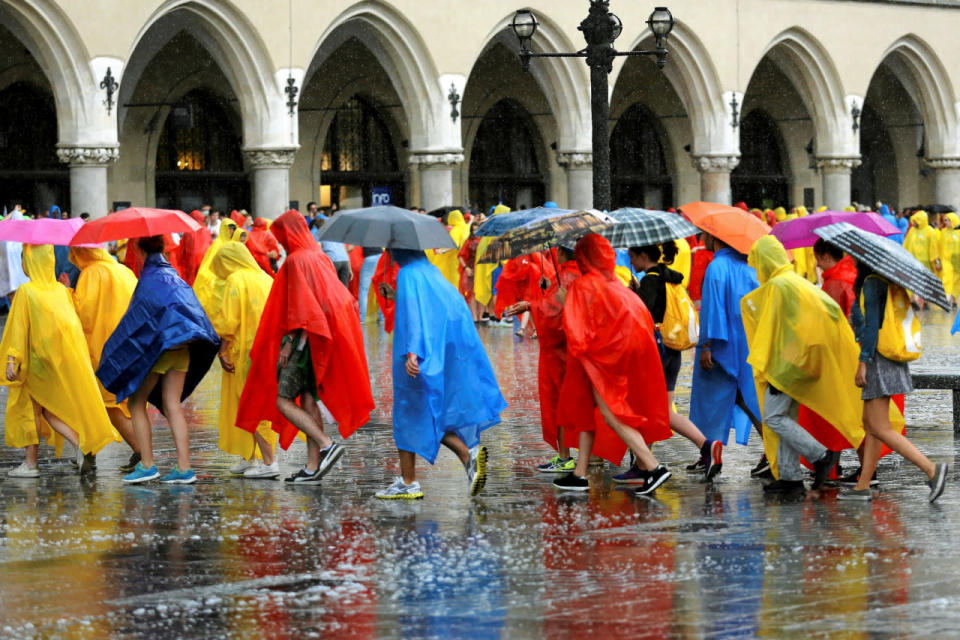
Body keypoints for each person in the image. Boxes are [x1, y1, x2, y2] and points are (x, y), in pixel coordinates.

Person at [237, 210, 375, 483]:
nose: (279, 243)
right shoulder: (319, 257)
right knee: (309, 401)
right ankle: (312, 467)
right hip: (324, 338)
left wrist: (288, 343)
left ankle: (326, 445)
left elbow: (301, 306)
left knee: (283, 400)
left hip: (305, 341)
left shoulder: (296, 261)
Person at [373, 249, 506, 499]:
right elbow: (429, 304)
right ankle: (465, 458)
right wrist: (394, 295)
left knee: (408, 412)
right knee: (427, 409)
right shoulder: (430, 271)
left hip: (414, 352)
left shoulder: (406, 273)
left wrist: (413, 351)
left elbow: (414, 313)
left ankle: (409, 480)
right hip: (436, 348)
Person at [741, 236, 865, 497]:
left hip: (787, 364)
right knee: (786, 417)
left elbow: (774, 331)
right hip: (804, 361)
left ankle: (820, 455)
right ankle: (790, 479)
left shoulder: (778, 285)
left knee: (774, 417)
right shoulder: (795, 281)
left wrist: (771, 367)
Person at [553, 234, 673, 496]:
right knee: (588, 414)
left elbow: (576, 329)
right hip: (614, 358)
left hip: (599, 362)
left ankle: (653, 467)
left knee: (611, 413)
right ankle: (579, 473)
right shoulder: (615, 283)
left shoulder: (584, 285)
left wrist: (565, 304)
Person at [99, 235, 221, 484]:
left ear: (138, 249)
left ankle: (147, 464)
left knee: (136, 403)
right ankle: (184, 468)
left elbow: (139, 321)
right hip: (182, 348)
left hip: (159, 350)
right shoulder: (174, 276)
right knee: (172, 405)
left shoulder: (149, 279)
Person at [1, 244, 120, 478]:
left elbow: (18, 327)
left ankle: (32, 464)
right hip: (62, 359)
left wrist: (11, 359)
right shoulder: (61, 290)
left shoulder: (26, 291)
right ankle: (81, 446)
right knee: (51, 409)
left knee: (32, 410)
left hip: (38, 362)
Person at [840, 260, 948, 502]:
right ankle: (864, 485)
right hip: (886, 358)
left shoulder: (872, 282)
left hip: (878, 360)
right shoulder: (886, 280)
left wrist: (863, 362)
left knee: (879, 427)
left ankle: (932, 470)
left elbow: (872, 328)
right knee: (870, 423)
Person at [615, 242, 723, 483]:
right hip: (672, 352)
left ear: (643, 256)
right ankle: (702, 447)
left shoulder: (652, 281)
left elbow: (640, 314)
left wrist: (633, 293)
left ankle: (648, 465)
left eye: (632, 256)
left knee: (646, 409)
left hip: (654, 353)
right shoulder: (669, 277)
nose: (630, 262)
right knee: (661, 411)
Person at [689, 232, 764, 474]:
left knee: (710, 402)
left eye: (706, 236)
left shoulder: (717, 267)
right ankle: (771, 449)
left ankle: (709, 449)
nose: (703, 239)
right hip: (746, 344)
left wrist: (707, 346)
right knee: (748, 397)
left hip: (720, 346)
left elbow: (712, 310)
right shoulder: (748, 266)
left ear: (716, 238)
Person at [65, 246, 142, 472]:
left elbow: (82, 312)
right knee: (120, 402)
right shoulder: (123, 271)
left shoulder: (91, 273)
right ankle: (89, 452)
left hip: (102, 348)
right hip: (128, 345)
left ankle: (141, 452)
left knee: (107, 404)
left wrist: (67, 292)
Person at [504, 245, 580, 473]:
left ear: (564, 253)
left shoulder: (568, 274)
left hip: (559, 350)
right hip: (569, 348)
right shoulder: (575, 273)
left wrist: (532, 304)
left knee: (558, 401)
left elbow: (554, 312)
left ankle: (566, 456)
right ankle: (581, 457)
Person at [208, 243, 279, 478]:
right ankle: (251, 457)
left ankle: (267, 461)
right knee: (258, 403)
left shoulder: (235, 280)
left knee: (250, 405)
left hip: (244, 353)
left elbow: (228, 322)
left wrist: (222, 351)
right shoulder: (266, 278)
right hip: (268, 351)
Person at [813, 238, 857, 318]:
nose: (817, 265)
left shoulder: (834, 283)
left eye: (818, 259)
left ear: (827, 257)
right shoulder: (852, 270)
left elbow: (831, 318)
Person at [313, 210, 352, 286]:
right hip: (345, 261)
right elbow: (345, 250)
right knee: (344, 288)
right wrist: (350, 269)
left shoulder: (319, 234)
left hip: (332, 260)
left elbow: (318, 250)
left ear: (318, 228)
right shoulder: (337, 234)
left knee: (331, 286)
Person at [178, 210, 213, 286]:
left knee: (191, 283)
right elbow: (210, 247)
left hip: (190, 262)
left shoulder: (188, 232)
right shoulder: (206, 231)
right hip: (203, 261)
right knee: (202, 284)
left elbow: (183, 250)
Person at [939, 212, 960, 306]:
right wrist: (938, 260)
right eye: (944, 220)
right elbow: (940, 246)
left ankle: (954, 301)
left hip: (958, 262)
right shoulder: (943, 232)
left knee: (956, 282)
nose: (945, 222)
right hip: (946, 261)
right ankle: (947, 300)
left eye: (947, 220)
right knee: (946, 280)